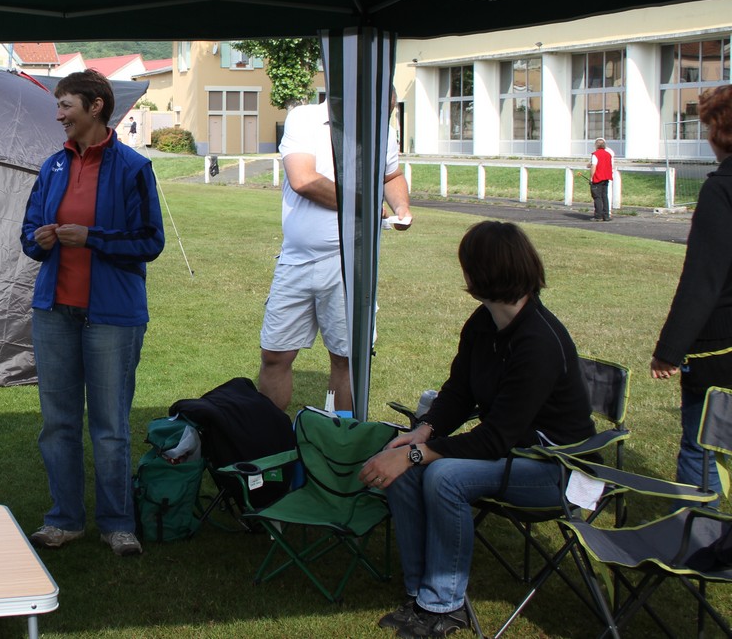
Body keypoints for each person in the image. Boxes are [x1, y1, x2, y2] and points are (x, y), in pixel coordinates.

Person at [361, 221, 594, 639]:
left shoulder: (538, 342)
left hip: (559, 469)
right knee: (402, 461)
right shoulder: (484, 322)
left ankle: (444, 606)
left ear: (480, 273)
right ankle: (419, 595)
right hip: (512, 454)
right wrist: (422, 432)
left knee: (444, 476)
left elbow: (495, 437)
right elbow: (458, 391)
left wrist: (417, 455)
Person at [20, 70, 165, 557]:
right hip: (54, 312)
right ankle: (63, 520)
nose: (59, 115)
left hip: (112, 315)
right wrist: (38, 241)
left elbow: (150, 242)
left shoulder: (133, 168)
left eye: (66, 106)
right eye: (58, 107)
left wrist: (94, 239)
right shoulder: (51, 168)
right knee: (57, 423)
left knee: (110, 427)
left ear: (96, 106)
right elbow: (27, 234)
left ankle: (117, 523)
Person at [258, 100, 412, 414]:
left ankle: (340, 445)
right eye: (383, 107)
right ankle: (268, 438)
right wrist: (366, 204)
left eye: (390, 109)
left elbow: (391, 176)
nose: (385, 115)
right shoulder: (305, 118)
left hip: (351, 264)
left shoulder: (382, 132)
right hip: (296, 260)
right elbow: (304, 180)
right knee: (274, 354)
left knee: (347, 360)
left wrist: (402, 208)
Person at [651, 84, 732, 493]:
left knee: (702, 447)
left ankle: (698, 545)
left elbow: (703, 280)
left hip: (721, 349)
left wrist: (670, 349)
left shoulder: (721, 190)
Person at [588, 137, 614, 221]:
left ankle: (598, 216)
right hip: (606, 177)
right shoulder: (608, 154)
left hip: (598, 178)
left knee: (597, 197)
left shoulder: (595, 154)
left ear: (596, 145)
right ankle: (606, 215)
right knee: (604, 197)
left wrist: (591, 177)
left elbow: (594, 166)